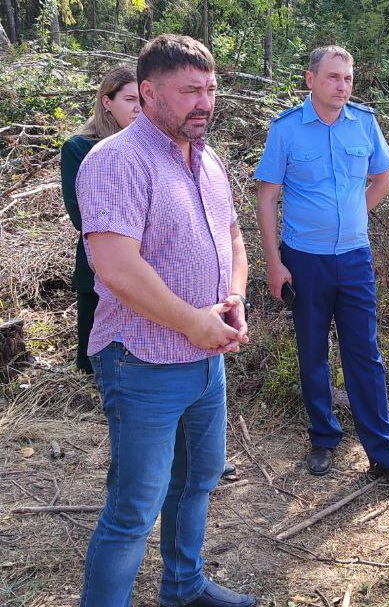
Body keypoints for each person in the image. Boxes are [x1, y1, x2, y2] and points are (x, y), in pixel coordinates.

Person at [76, 34, 256, 606]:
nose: (204, 102)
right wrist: (190, 323)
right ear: (149, 92)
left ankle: (183, 587)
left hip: (207, 360)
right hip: (142, 363)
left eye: (210, 89)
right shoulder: (115, 161)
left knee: (198, 481)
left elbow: (231, 236)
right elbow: (116, 267)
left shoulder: (208, 162)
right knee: (135, 506)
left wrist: (233, 296)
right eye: (189, 91)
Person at [254, 45, 389, 489]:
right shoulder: (286, 130)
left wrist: (356, 216)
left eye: (347, 78)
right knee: (312, 351)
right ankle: (323, 437)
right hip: (303, 259)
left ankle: (384, 454)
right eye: (332, 77)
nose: (342, 86)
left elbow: (383, 179)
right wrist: (274, 263)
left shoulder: (364, 123)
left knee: (364, 353)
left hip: (353, 258)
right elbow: (267, 198)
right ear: (311, 80)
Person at [61, 65, 140, 374]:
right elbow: (81, 215)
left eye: (142, 100)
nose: (138, 108)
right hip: (99, 264)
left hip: (146, 264)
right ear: (107, 102)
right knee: (96, 364)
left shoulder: (149, 145)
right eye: (129, 99)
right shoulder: (80, 147)